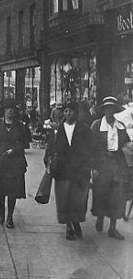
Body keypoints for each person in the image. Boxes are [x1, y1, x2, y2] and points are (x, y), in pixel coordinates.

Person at [44, 101, 93, 240]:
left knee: (78, 199)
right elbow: (50, 148)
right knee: (64, 198)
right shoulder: (57, 130)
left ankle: (76, 221)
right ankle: (68, 226)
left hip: (80, 171)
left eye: (71, 111)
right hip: (62, 171)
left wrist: (91, 166)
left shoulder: (84, 129)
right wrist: (48, 161)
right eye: (65, 111)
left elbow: (92, 149)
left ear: (77, 113)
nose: (68, 113)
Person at [0, 97, 30, 229]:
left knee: (12, 191)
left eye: (12, 109)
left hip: (15, 164)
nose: (10, 111)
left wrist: (15, 150)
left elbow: (25, 143)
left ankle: (10, 216)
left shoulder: (20, 126)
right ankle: (2, 208)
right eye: (7, 109)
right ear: (3, 110)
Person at [90, 96, 131, 240]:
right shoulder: (96, 126)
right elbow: (91, 148)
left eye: (112, 109)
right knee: (102, 192)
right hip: (102, 163)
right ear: (103, 110)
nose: (109, 111)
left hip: (118, 164)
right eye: (107, 109)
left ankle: (113, 228)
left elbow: (126, 144)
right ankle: (100, 217)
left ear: (115, 110)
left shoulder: (121, 126)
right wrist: (94, 167)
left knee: (117, 195)